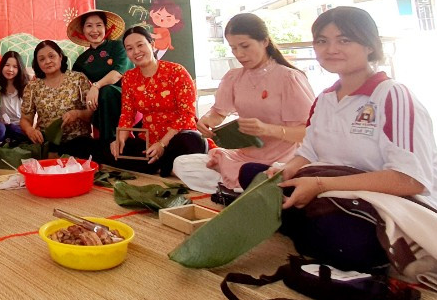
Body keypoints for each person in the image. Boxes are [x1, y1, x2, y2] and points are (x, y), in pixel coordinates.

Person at [263, 7, 437, 272]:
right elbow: (307, 153)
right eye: (322, 41)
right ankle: (309, 225)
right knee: (255, 176)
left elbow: (410, 180)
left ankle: (313, 229)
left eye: (344, 40)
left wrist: (320, 185)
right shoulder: (325, 99)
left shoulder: (392, 96)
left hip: (399, 206)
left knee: (350, 247)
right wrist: (286, 170)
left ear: (369, 45)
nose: (331, 49)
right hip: (342, 194)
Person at [193, 13, 314, 190]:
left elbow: (309, 133)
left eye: (245, 46)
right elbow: (218, 113)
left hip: (283, 159)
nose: (239, 54)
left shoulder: (289, 78)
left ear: (264, 41)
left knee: (254, 174)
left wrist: (267, 129)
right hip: (243, 156)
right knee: (183, 163)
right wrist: (207, 121)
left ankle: (245, 184)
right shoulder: (234, 77)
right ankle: (246, 186)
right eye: (233, 48)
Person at [110, 26, 206, 177]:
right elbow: (127, 114)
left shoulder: (176, 72)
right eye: (129, 48)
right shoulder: (129, 78)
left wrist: (162, 144)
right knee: (115, 148)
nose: (136, 52)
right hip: (149, 141)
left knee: (193, 141)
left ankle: (158, 164)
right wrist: (120, 139)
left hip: (178, 138)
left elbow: (187, 114)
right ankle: (164, 166)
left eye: (140, 45)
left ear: (152, 45)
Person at [19, 40, 95, 159]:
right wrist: (30, 130)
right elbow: (25, 119)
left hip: (78, 142)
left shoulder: (78, 79)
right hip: (47, 143)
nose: (47, 61)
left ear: (60, 56)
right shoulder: (32, 87)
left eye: (51, 56)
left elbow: (92, 113)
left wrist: (77, 114)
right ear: (37, 63)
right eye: (42, 59)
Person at [67, 10, 129, 143]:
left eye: (99, 25)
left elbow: (117, 74)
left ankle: (109, 142)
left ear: (105, 28)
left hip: (126, 99)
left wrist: (96, 86)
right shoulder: (81, 60)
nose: (94, 30)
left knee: (106, 91)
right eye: (89, 26)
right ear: (83, 30)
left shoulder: (118, 47)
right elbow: (71, 81)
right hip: (99, 104)